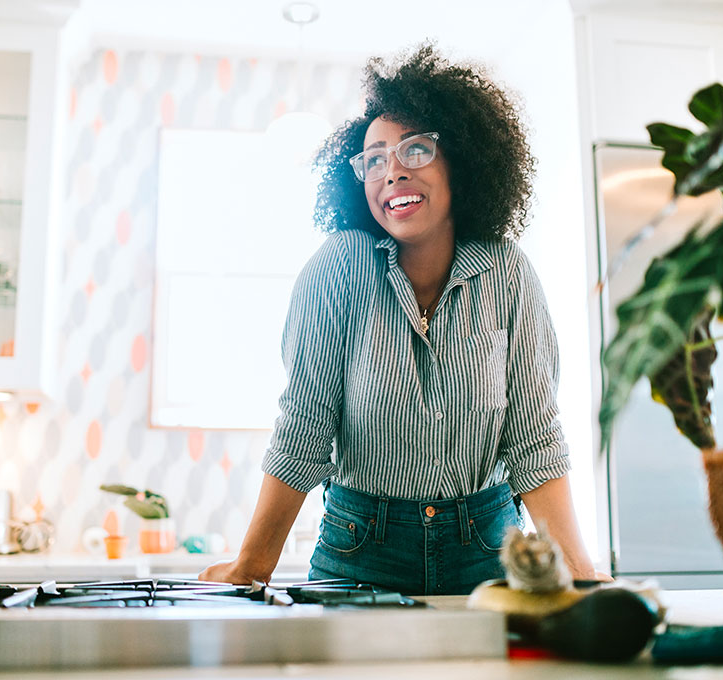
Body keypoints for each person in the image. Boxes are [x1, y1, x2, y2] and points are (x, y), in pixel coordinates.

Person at [200, 43, 598, 594]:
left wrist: (580, 575)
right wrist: (252, 566)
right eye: (374, 159)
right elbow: (304, 428)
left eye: (414, 151)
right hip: (361, 549)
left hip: (489, 549)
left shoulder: (508, 272)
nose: (391, 173)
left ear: (460, 159)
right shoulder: (338, 269)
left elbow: (535, 441)